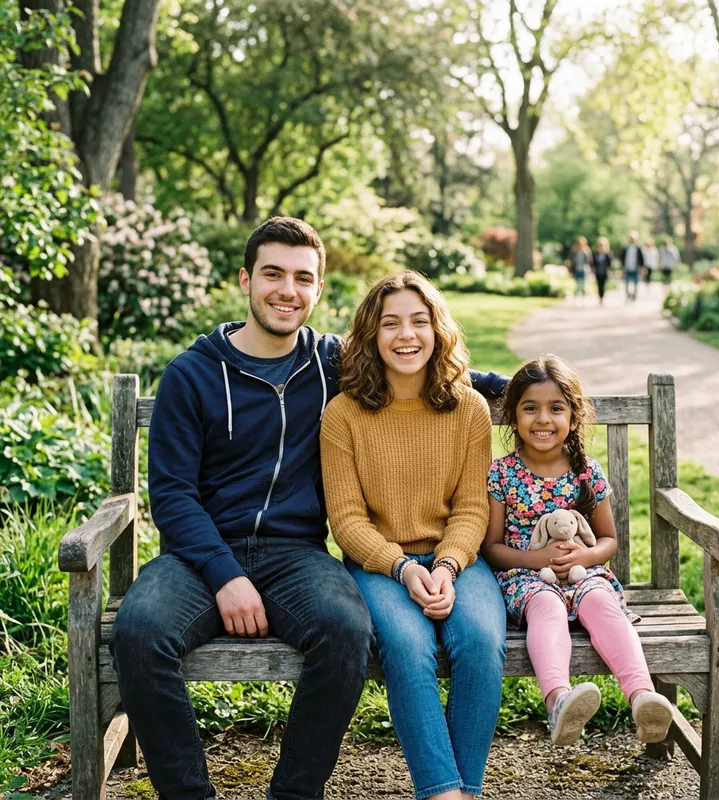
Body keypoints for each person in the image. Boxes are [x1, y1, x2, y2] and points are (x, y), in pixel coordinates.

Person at [110, 218, 507, 800]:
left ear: (318, 289)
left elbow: (414, 361)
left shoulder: (330, 363)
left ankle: (294, 794)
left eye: (303, 278)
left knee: (346, 629)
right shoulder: (190, 375)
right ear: (246, 279)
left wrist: (506, 385)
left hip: (295, 554)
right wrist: (226, 578)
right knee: (139, 634)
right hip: (200, 558)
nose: (286, 291)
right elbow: (171, 495)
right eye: (272, 274)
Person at [321, 272, 507, 800]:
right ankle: (444, 793)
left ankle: (462, 790)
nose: (407, 335)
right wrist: (403, 568)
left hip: (459, 560)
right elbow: (348, 522)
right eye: (391, 323)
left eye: (419, 321)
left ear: (437, 330)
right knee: (405, 645)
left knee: (480, 641)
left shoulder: (468, 408)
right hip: (378, 564)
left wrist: (446, 566)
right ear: (371, 336)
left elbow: (472, 508)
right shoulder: (344, 415)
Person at [481, 355, 673, 747]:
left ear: (573, 416)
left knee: (602, 603)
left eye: (556, 408)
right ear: (512, 416)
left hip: (584, 575)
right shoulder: (501, 473)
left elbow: (608, 541)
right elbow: (492, 549)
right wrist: (538, 560)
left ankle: (642, 697)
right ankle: (559, 702)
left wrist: (584, 558)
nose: (543, 419)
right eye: (530, 408)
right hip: (526, 581)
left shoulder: (586, 472)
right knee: (547, 607)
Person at [620, 232, 645, 302]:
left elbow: (641, 258)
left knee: (636, 283)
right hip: (627, 267)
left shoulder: (638, 247)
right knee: (626, 282)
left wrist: (643, 267)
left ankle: (634, 295)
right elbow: (622, 256)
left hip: (636, 267)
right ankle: (628, 295)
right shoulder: (626, 247)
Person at [592, 237, 613, 306]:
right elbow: (593, 263)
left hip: (604, 272)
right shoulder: (596, 254)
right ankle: (600, 298)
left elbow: (609, 263)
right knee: (599, 285)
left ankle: (602, 297)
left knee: (603, 285)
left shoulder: (607, 254)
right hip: (598, 272)